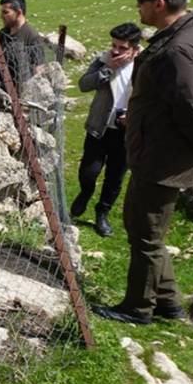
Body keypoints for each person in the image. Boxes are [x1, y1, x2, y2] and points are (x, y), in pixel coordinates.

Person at [93, 0, 193, 325]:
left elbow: (190, 103)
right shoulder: (188, 36)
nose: (137, 7)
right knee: (146, 229)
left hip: (162, 158)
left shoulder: (178, 49)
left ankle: (138, 307)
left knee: (144, 233)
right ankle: (168, 302)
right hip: (158, 151)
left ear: (160, 3)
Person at [71, 22, 142, 238]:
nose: (116, 51)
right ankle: (85, 192)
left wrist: (132, 115)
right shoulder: (103, 61)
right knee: (88, 171)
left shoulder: (144, 68)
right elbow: (83, 84)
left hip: (125, 134)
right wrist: (108, 68)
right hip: (99, 128)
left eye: (122, 48)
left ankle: (102, 213)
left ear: (135, 50)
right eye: (114, 45)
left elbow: (152, 99)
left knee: (115, 178)